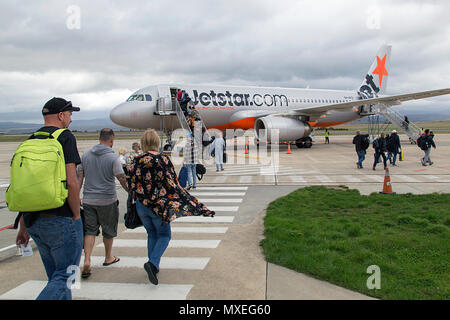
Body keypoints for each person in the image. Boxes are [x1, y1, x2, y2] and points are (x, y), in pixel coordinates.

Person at [15, 97, 83, 300]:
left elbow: (26, 188)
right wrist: (77, 216)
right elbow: (71, 182)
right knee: (67, 276)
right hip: (61, 218)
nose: (71, 120)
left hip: (33, 221)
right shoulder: (65, 138)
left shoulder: (30, 140)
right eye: (70, 115)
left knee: (55, 277)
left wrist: (23, 228)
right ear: (61, 116)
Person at [126, 129, 214, 285]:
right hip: (158, 207)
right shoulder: (163, 160)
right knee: (165, 235)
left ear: (143, 143)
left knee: (151, 234)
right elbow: (174, 185)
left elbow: (131, 183)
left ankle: (154, 264)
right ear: (157, 143)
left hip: (141, 206)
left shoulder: (136, 160)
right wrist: (195, 204)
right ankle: (152, 263)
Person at [77, 129, 128, 279]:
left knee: (90, 231)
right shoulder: (113, 157)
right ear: (111, 141)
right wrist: (132, 192)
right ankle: (108, 257)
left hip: (88, 200)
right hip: (107, 200)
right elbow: (121, 178)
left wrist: (76, 196)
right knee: (108, 230)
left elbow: (79, 177)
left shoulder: (85, 155)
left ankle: (87, 259)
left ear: (99, 139)